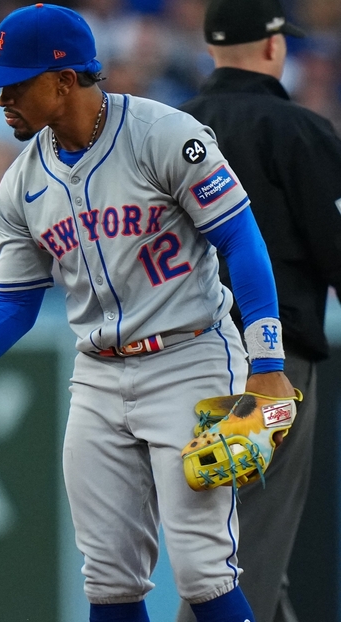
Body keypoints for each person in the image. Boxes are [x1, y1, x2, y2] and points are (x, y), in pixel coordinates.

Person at [0, 4, 297, 621]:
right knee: (107, 577)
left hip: (190, 357)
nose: (2, 99)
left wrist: (267, 361)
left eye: (16, 83)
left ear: (65, 79)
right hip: (99, 374)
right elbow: (11, 307)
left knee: (203, 570)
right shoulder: (20, 185)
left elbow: (242, 239)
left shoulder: (162, 135)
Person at [175, 1, 341, 621]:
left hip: (174, 364)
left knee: (235, 540)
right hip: (269, 368)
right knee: (241, 552)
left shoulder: (169, 128)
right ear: (273, 47)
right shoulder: (297, 130)